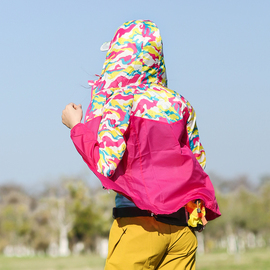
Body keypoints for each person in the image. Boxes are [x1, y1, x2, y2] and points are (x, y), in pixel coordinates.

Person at [62, 20, 220, 270]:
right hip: (182, 233)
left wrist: (76, 128)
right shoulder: (181, 104)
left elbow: (105, 164)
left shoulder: (122, 100)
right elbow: (198, 165)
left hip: (139, 228)